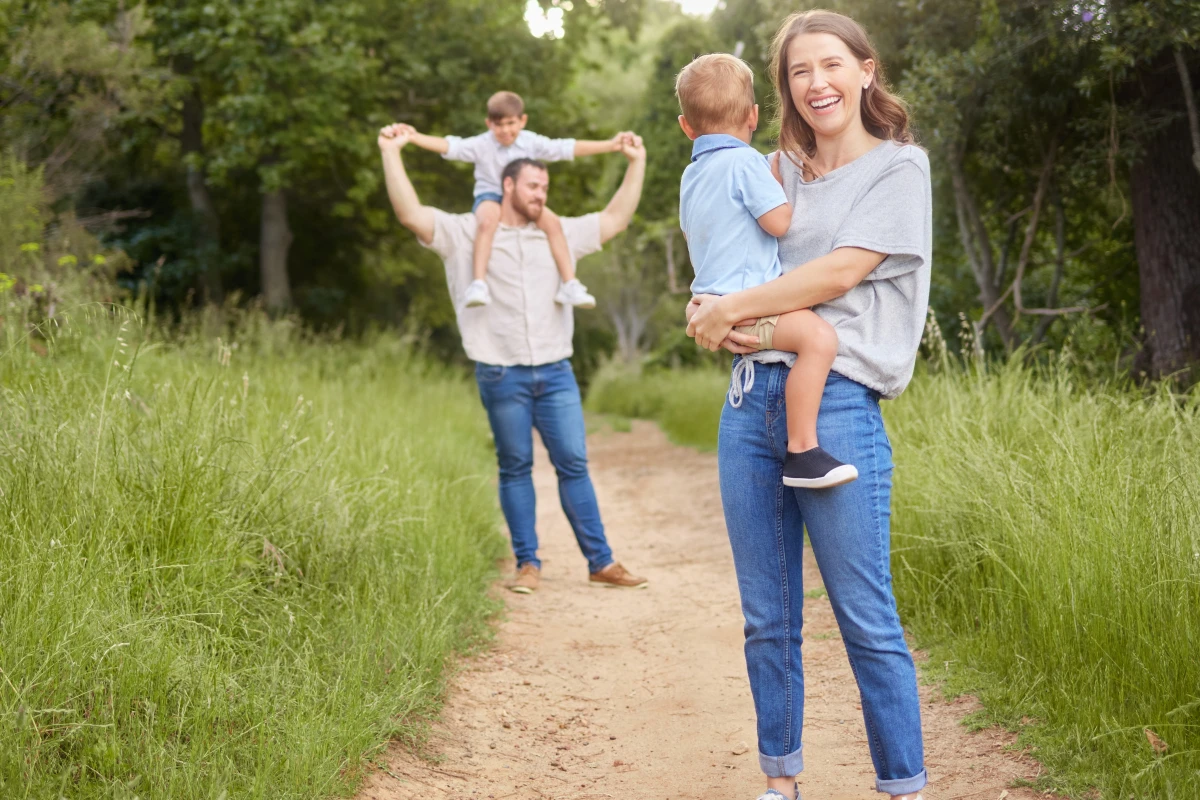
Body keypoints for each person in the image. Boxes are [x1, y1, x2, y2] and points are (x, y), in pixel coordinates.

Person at [685, 10, 932, 800]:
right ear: (782, 88)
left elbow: (835, 277)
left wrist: (733, 312)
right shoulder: (775, 167)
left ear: (866, 70)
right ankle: (780, 782)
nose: (816, 82)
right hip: (750, 401)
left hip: (840, 408)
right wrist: (708, 309)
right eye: (799, 71)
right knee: (768, 617)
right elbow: (726, 256)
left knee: (865, 617)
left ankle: (902, 785)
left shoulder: (899, 169)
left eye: (831, 64)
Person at [377, 121, 649, 594]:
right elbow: (411, 214)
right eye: (533, 186)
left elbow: (615, 219)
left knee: (574, 465)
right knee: (515, 466)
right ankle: (528, 564)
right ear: (507, 185)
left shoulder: (557, 233)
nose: (541, 193)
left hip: (556, 372)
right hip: (501, 373)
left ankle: (600, 562)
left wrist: (637, 162)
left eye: (545, 186)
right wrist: (392, 152)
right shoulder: (467, 235)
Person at [676, 53, 856, 489]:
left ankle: (799, 447)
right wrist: (773, 183)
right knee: (819, 338)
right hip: (751, 304)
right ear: (753, 116)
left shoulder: (691, 174)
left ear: (687, 126)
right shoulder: (746, 164)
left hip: (713, 300)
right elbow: (778, 222)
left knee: (811, 339)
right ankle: (802, 449)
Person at [398, 90, 627, 309]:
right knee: (487, 223)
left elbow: (566, 148)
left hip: (521, 198)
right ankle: (478, 283)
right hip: (491, 195)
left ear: (522, 121)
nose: (505, 130)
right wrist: (413, 136)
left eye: (511, 124)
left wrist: (610, 145)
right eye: (499, 125)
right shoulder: (481, 144)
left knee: (553, 224)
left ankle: (569, 283)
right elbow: (450, 146)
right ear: (489, 124)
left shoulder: (531, 142)